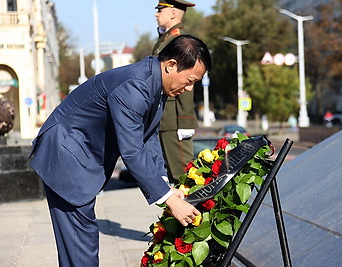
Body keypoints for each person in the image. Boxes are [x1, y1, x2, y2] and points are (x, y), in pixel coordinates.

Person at [29, 35, 212, 266]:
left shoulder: (155, 83)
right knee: (80, 242)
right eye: (189, 80)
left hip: (78, 153)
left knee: (80, 242)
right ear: (171, 65)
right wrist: (169, 201)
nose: (189, 88)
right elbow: (132, 150)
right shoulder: (136, 86)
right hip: (66, 154)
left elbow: (148, 137)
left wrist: (164, 184)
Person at [153, 0, 198, 184]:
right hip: (166, 117)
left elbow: (187, 80)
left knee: (184, 176)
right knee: (174, 177)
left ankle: (197, 213)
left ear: (172, 13)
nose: (156, 14)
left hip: (175, 118)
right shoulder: (166, 38)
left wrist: (186, 120)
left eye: (160, 10)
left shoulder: (181, 40)